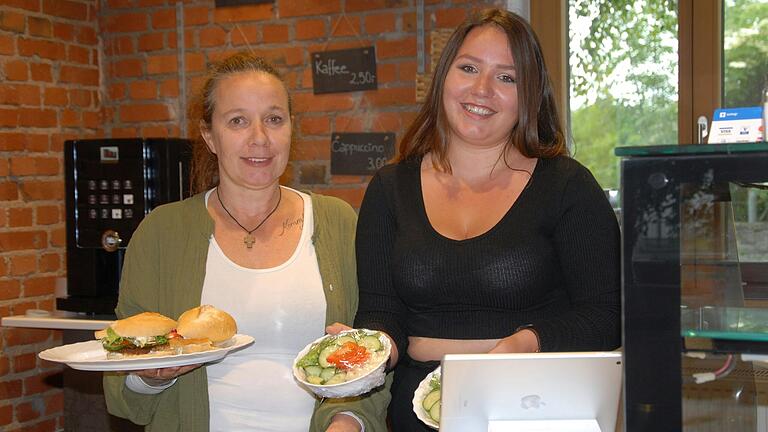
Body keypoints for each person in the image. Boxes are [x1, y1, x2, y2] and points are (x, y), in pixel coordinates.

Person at [353, 8, 622, 430]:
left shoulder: (568, 186)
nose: (482, 89)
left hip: (532, 409)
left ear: (529, 95)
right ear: (444, 77)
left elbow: (606, 316)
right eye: (469, 67)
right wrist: (371, 347)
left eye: (507, 77)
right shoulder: (389, 188)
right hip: (416, 418)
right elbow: (381, 310)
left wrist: (521, 343)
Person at [103, 53, 390, 432]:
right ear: (209, 135)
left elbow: (372, 353)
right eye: (238, 121)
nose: (260, 138)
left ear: (291, 129)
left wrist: (348, 420)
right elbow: (124, 389)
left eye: (274, 119)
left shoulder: (339, 222)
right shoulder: (161, 232)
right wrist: (154, 374)